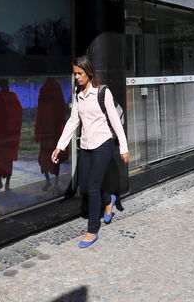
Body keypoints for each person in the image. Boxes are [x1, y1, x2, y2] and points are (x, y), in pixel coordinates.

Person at [51, 56, 129, 249]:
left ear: (89, 72)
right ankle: (108, 198)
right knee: (86, 186)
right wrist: (60, 145)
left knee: (93, 187)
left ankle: (92, 230)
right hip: (85, 145)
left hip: (103, 143)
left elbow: (115, 121)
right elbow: (73, 121)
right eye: (75, 73)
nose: (76, 77)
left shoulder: (103, 93)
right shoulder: (78, 94)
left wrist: (124, 148)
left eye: (80, 73)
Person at [0, 79, 23, 192]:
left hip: (2, 134)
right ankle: (5, 184)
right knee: (6, 159)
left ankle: (1, 183)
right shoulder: (11, 96)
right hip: (7, 134)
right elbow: (19, 112)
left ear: (0, 85)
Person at [34, 78, 68, 190]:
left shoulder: (50, 87)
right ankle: (50, 181)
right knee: (46, 155)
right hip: (48, 128)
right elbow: (40, 109)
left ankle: (54, 181)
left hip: (53, 128)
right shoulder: (47, 87)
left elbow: (61, 107)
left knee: (52, 155)